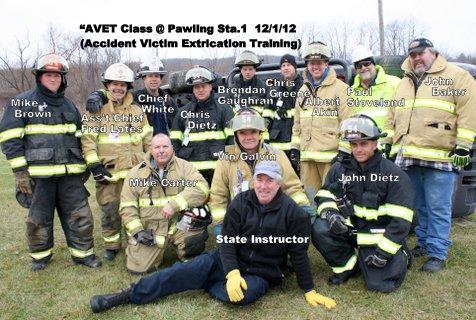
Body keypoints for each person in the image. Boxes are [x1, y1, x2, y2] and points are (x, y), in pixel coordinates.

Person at [90, 161, 336, 313]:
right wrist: (232, 271)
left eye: (269, 181)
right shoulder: (241, 201)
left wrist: (309, 290)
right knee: (173, 274)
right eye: (259, 179)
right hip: (226, 260)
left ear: (279, 184)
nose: (263, 186)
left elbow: (299, 254)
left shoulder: (294, 214)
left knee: (242, 297)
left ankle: (206, 282)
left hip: (261, 273)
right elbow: (227, 240)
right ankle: (124, 296)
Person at [382, 38, 476, 272]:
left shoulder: (457, 76)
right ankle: (424, 243)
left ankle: (437, 252)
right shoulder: (404, 82)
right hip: (408, 156)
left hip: (440, 156)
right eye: (412, 54)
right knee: (419, 206)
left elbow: (470, 110)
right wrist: (387, 140)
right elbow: (392, 115)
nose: (416, 57)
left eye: (420, 53)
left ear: (433, 52)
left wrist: (463, 145)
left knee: (438, 207)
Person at [0, 53, 101, 270]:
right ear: (39, 77)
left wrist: (85, 166)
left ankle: (83, 254)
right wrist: (20, 172)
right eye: (48, 74)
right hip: (39, 176)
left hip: (71, 175)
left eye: (57, 75)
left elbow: (81, 136)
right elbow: (9, 138)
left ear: (63, 78)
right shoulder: (21, 102)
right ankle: (40, 257)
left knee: (80, 216)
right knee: (38, 219)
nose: (53, 79)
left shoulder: (69, 105)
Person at [312, 115, 413, 292]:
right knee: (321, 228)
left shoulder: (394, 175)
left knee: (380, 286)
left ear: (375, 143)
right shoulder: (340, 168)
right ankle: (348, 268)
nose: (358, 149)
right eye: (354, 144)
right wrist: (331, 214)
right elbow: (325, 194)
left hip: (379, 236)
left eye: (363, 143)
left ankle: (402, 253)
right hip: (350, 230)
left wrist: (383, 253)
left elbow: (401, 221)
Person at [81, 62, 153, 261]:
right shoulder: (96, 110)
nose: (118, 88)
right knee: (110, 210)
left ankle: (135, 241)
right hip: (108, 173)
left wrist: (150, 164)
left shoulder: (137, 111)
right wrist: (94, 166)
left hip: (135, 173)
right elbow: (88, 141)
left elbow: (148, 140)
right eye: (114, 84)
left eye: (123, 84)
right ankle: (112, 245)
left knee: (136, 209)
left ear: (128, 87)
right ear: (107, 85)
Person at [208, 108, 311, 236]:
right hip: (240, 221)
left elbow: (292, 187)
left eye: (253, 132)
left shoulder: (277, 155)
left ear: (260, 133)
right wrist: (220, 223)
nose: (248, 137)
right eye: (242, 133)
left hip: (274, 219)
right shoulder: (225, 160)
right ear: (236, 135)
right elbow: (218, 195)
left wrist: (302, 207)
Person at [120, 133, 210, 274]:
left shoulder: (185, 167)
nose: (161, 150)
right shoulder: (135, 174)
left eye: (165, 146)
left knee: (193, 247)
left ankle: (188, 252)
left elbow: (201, 187)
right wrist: (137, 231)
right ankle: (144, 251)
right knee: (137, 269)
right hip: (150, 229)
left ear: (172, 148)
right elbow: (127, 207)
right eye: (157, 147)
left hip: (178, 224)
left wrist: (175, 204)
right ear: (150, 150)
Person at [291, 41, 354, 203]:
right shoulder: (303, 91)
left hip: (331, 160)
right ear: (307, 65)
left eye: (319, 62)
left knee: (332, 201)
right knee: (310, 200)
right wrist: (295, 149)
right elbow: (297, 124)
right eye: (311, 63)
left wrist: (344, 153)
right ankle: (311, 228)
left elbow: (349, 122)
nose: (315, 66)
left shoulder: (341, 89)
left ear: (326, 63)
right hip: (307, 160)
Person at [170, 66, 234, 184]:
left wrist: (229, 168)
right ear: (193, 89)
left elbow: (232, 141)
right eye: (197, 87)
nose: (200, 90)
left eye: (203, 86)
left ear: (210, 86)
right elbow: (175, 143)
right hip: (191, 174)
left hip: (219, 173)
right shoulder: (183, 113)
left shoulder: (224, 110)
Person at [85, 57, 177, 136]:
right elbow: (113, 93)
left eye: (156, 76)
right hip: (143, 149)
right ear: (143, 78)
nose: (154, 79)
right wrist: (97, 95)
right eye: (150, 76)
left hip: (163, 149)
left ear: (161, 79)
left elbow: (176, 127)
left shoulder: (169, 101)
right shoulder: (133, 98)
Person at [263, 54, 304, 163]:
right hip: (276, 147)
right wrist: (265, 141)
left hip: (298, 147)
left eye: (289, 65)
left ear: (295, 67)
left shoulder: (304, 88)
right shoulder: (274, 90)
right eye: (283, 65)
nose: (286, 68)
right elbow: (266, 118)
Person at [349, 45, 400, 131]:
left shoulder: (395, 83)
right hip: (363, 143)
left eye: (366, 64)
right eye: (359, 66)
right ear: (356, 69)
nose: (363, 68)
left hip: (389, 142)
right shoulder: (351, 93)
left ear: (374, 64)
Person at [229, 50, 272, 115]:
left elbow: (268, 111)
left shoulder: (264, 88)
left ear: (255, 70)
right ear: (240, 70)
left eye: (250, 69)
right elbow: (228, 112)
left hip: (258, 124)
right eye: (245, 69)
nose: (247, 72)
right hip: (239, 124)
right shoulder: (233, 89)